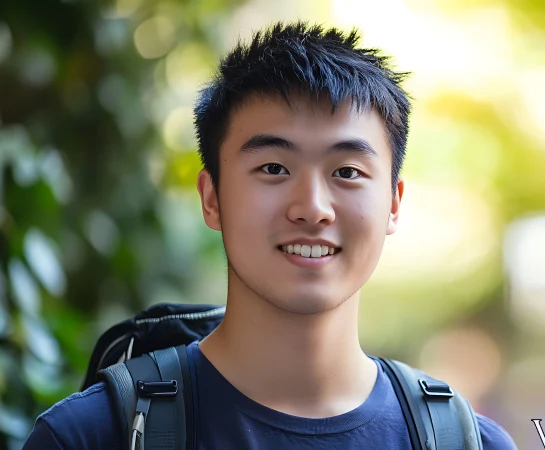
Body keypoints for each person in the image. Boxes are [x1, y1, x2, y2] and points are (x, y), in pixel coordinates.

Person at [22, 21, 517, 449]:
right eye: (274, 167)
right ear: (212, 197)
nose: (312, 209)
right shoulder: (92, 437)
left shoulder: (467, 442)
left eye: (347, 172)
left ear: (393, 203)